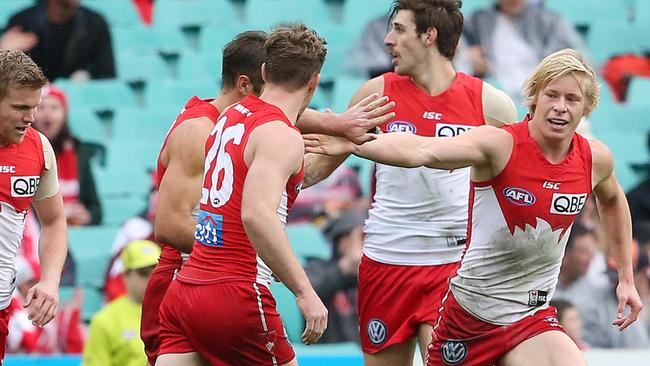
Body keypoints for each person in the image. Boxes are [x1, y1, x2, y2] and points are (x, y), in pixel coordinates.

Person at [305, 48, 644, 366]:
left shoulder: (594, 158)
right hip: (468, 320)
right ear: (535, 98)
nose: (560, 106)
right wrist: (355, 141)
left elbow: (612, 199)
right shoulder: (500, 144)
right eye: (552, 95)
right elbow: (422, 151)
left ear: (586, 108)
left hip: (530, 317)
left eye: (573, 99)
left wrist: (626, 279)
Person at [147, 29, 395, 366]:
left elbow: (285, 181)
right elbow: (257, 214)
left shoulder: (227, 117)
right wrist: (304, 291)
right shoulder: (280, 135)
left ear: (264, 73)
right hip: (236, 289)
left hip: (188, 289)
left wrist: (342, 142)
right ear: (314, 82)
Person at [304, 1, 517, 364]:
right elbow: (321, 166)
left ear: (429, 36)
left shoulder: (490, 105)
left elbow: (511, 186)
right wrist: (266, 176)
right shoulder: (377, 93)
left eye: (399, 30)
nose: (388, 40)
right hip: (386, 261)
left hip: (453, 265)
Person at [0, 49, 68, 363]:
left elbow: (54, 221)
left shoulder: (38, 147)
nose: (31, 117)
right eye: (20, 107)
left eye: (35, 106)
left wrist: (50, 280)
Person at [462, 0, 588, 105]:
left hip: (542, 93)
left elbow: (580, 59)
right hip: (494, 95)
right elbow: (454, 54)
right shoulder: (476, 21)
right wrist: (468, 56)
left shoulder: (550, 21)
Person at [82, 240, 161, 366]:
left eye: (157, 272)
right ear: (126, 275)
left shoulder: (176, 312)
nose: (151, 279)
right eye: (143, 273)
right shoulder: (104, 320)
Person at [33, 84, 102, 225]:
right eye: (41, 108)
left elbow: (96, 209)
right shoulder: (24, 153)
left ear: (64, 114)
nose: (47, 113)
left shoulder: (80, 152)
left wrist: (86, 216)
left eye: (54, 107)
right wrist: (57, 214)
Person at [0, 0, 116, 81]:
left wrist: (86, 76)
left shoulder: (95, 23)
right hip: (33, 99)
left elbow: (107, 74)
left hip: (76, 98)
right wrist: (3, 52)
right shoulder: (23, 22)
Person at [305, 209, 365, 343]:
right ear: (341, 240)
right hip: (326, 354)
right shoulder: (317, 268)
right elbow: (310, 290)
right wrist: (346, 266)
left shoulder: (372, 276)